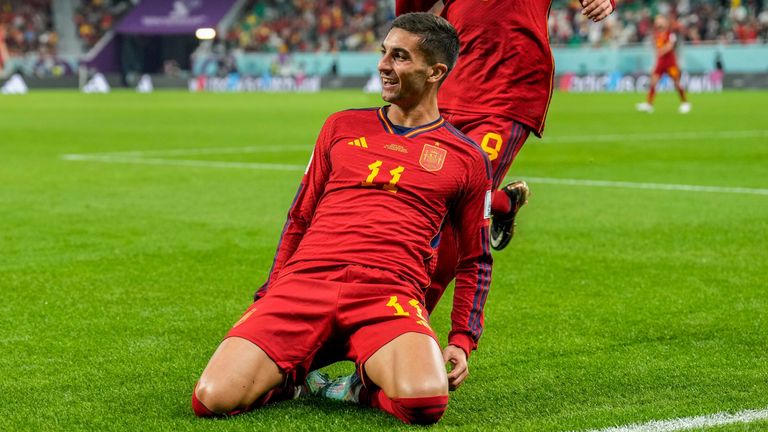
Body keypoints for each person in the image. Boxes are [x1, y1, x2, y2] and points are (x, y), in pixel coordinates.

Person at [192, 13, 493, 425]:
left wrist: (462, 339)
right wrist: (272, 292)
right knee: (212, 399)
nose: (383, 65)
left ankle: (357, 388)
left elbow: (476, 258)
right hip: (306, 282)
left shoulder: (468, 158)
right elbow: (299, 217)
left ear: (435, 71)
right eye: (384, 52)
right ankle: (291, 381)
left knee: (426, 401)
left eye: (400, 56)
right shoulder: (340, 126)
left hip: (389, 291)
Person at [636, 15, 691, 114]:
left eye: (660, 20)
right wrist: (657, 55)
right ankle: (649, 104)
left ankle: (685, 103)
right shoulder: (656, 34)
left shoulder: (670, 33)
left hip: (670, 63)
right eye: (657, 21)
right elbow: (656, 47)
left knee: (677, 83)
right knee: (653, 82)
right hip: (660, 62)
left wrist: (661, 51)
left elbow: (670, 46)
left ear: (665, 22)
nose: (658, 22)